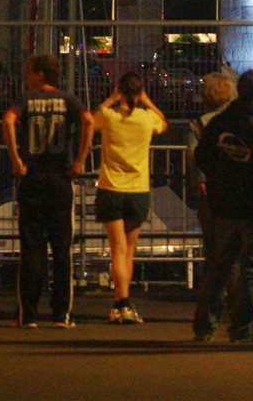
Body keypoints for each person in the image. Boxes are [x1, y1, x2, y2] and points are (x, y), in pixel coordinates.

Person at [192, 70, 253, 343]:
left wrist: (220, 177)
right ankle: (242, 328)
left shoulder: (220, 123)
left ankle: (204, 325)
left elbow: (202, 157)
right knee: (250, 269)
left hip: (224, 203)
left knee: (219, 266)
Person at [2, 53, 92, 328]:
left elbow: (7, 120)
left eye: (30, 71)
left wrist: (16, 159)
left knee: (32, 247)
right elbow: (88, 120)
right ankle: (61, 312)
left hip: (32, 178)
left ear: (40, 74)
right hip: (60, 178)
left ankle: (28, 313)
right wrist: (80, 159)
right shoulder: (68, 100)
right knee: (62, 248)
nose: (27, 76)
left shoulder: (27, 100)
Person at [92, 72, 167, 324]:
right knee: (129, 251)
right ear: (140, 92)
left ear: (119, 91)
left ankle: (119, 301)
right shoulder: (146, 119)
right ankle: (124, 301)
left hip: (110, 188)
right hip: (138, 191)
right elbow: (163, 122)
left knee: (117, 250)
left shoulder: (109, 116)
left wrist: (109, 99)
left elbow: (90, 121)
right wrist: (147, 101)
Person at [186, 72, 239, 327]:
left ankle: (208, 314)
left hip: (211, 194)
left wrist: (200, 183)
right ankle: (240, 308)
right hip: (238, 193)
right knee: (238, 251)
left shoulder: (198, 125)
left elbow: (194, 158)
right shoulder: (239, 122)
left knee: (214, 253)